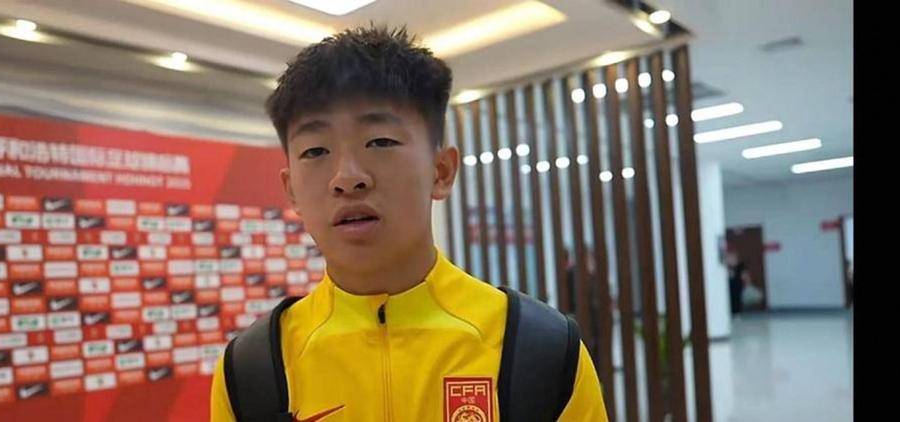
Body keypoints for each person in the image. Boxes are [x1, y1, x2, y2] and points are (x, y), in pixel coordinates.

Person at [209, 25, 607, 421]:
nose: (347, 178)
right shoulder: (251, 371)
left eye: (380, 142)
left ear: (441, 171)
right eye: (315, 151)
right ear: (291, 190)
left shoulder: (543, 352)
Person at [725, 250, 752, 315]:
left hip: (737, 288)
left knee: (737, 301)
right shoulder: (725, 268)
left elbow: (745, 276)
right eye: (729, 257)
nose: (731, 259)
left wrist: (748, 285)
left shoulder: (740, 266)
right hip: (728, 289)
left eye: (732, 257)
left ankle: (737, 313)